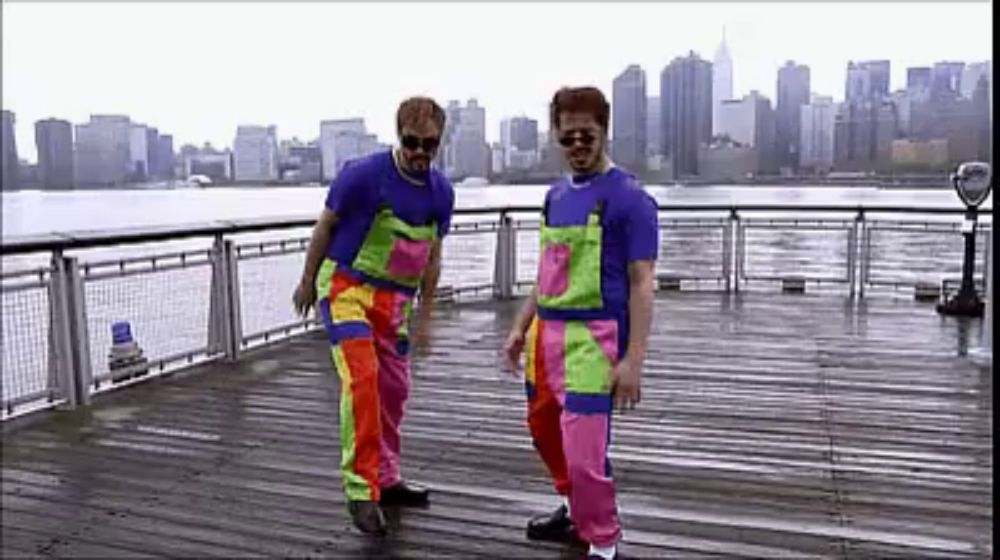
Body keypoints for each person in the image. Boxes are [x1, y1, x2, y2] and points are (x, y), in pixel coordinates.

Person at [501, 86, 659, 560]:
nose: (577, 147)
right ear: (556, 136)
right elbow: (545, 274)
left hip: (595, 339)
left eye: (586, 136)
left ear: (604, 131)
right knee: (544, 430)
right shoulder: (554, 196)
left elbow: (643, 282)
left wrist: (633, 360)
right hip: (545, 336)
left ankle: (603, 541)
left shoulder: (632, 200)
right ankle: (573, 509)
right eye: (567, 138)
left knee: (587, 451)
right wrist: (519, 327)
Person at [293, 96, 455, 536]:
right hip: (346, 287)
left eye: (430, 144)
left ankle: (386, 476)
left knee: (394, 389)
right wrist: (308, 280)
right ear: (398, 134)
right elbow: (325, 226)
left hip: (394, 302)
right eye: (412, 141)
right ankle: (360, 490)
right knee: (362, 379)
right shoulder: (362, 176)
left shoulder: (441, 193)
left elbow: (432, 255)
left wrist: (426, 315)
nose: (420, 152)